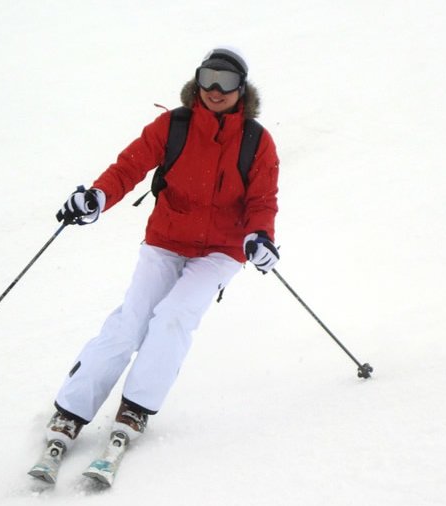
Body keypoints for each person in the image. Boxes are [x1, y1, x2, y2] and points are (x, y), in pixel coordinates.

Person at [42, 47, 280, 452]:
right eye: (208, 78)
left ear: (242, 89)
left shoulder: (257, 141)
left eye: (226, 81)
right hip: (167, 241)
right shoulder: (174, 126)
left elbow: (262, 200)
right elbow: (128, 168)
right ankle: (70, 409)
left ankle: (135, 407)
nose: (215, 90)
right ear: (197, 79)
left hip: (220, 250)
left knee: (173, 317)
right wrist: (97, 196)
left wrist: (260, 237)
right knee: (131, 321)